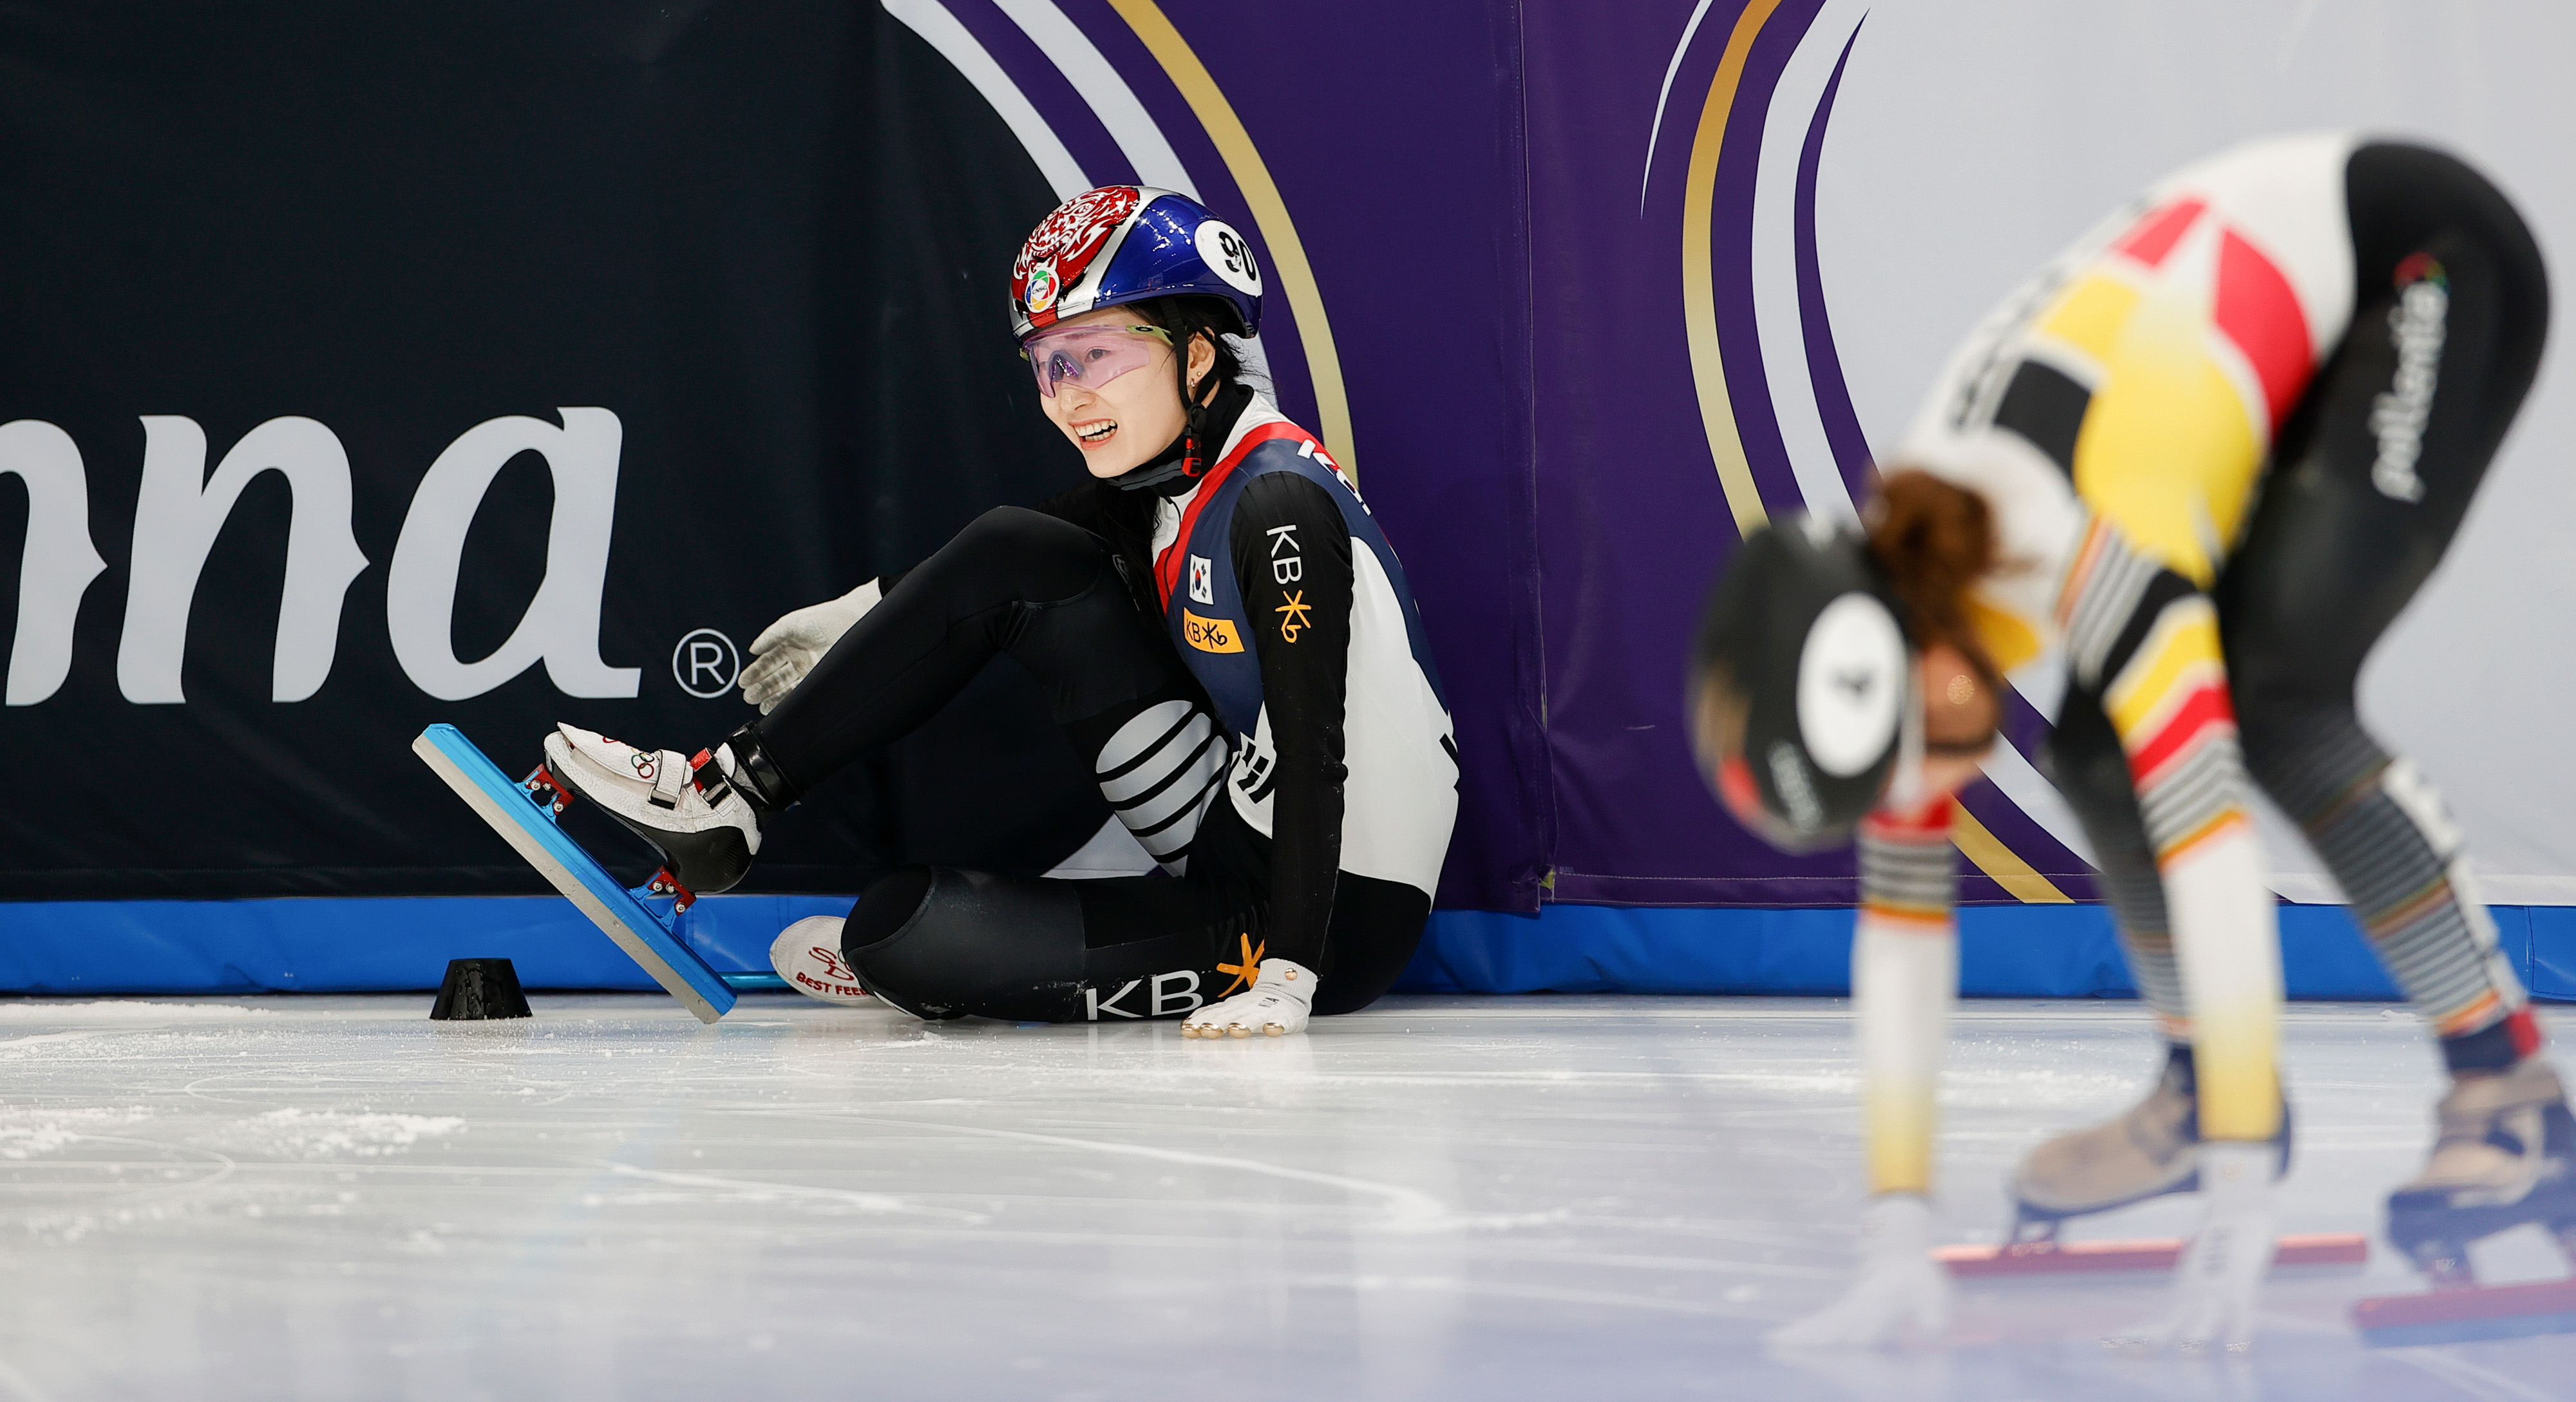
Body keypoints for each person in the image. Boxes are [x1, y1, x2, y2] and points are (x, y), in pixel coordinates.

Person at [1687, 135, 2568, 1349]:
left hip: (2427, 254)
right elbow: (1901, 932)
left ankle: (2510, 1093)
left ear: (1932, 672)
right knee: (2101, 759)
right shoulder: (1913, 592)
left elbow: (2213, 860)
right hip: (2240, 334)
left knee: (2279, 705)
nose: (1921, 803)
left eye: (1911, 763)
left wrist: (2243, 1203)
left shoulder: (2092, 541)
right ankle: (2200, 1087)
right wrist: (1895, 1233)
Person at [536, 185, 1458, 1037]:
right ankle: (729, 797)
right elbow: (1011, 558)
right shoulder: (1181, 471)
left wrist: (1288, 977)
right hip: (1232, 826)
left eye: (1099, 355)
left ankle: (977, 957)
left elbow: (1315, 753)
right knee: (1022, 547)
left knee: (901, 930)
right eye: (1050, 365)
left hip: (1334, 917)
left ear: (1199, 354)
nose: (1071, 398)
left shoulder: (1275, 505)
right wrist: (860, 615)